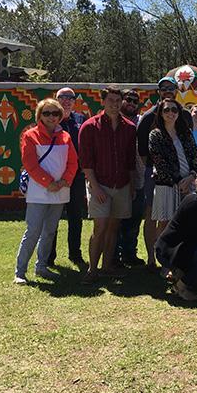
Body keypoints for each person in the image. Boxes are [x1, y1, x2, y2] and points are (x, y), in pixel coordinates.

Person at [14, 98, 78, 284]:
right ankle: (20, 271)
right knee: (33, 231)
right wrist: (48, 182)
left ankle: (41, 266)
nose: (51, 117)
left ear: (60, 116)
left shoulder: (65, 137)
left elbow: (73, 162)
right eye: (47, 113)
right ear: (39, 115)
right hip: (38, 192)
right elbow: (30, 164)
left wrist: (65, 180)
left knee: (50, 231)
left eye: (55, 113)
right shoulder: (30, 135)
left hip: (60, 191)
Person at [78, 87, 137, 284]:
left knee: (114, 227)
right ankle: (92, 270)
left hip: (122, 184)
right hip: (99, 185)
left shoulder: (129, 128)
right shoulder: (89, 127)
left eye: (118, 100)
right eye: (111, 100)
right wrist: (95, 188)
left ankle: (106, 267)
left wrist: (131, 185)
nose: (115, 104)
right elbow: (86, 162)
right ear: (102, 101)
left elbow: (130, 160)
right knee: (100, 227)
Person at [136, 77, 191, 274]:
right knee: (153, 215)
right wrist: (157, 170)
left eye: (171, 87)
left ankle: (174, 258)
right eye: (163, 88)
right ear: (158, 91)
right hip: (156, 175)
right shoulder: (148, 117)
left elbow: (189, 146)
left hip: (183, 175)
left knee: (177, 216)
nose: (168, 90)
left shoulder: (185, 115)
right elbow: (143, 152)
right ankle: (152, 258)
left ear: (177, 91)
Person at [155, 168, 197, 301]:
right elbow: (194, 238)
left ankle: (179, 274)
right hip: (170, 250)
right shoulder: (194, 203)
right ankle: (181, 286)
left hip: (184, 245)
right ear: (196, 183)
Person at [148, 98, 197, 269]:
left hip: (188, 183)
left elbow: (194, 157)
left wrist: (191, 176)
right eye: (166, 110)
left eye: (174, 110)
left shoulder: (186, 133)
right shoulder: (155, 135)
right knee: (165, 224)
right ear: (160, 113)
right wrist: (178, 181)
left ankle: (181, 260)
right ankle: (163, 262)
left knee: (185, 225)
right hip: (166, 185)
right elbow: (159, 161)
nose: (170, 113)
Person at [48, 87, 86, 267]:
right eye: (62, 97)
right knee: (52, 217)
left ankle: (75, 254)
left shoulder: (80, 120)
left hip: (76, 176)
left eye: (71, 97)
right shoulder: (50, 119)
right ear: (56, 99)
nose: (67, 100)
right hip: (55, 176)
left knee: (75, 216)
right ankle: (49, 256)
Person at [116, 89, 146, 267]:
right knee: (116, 220)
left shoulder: (142, 122)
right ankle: (113, 256)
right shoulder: (114, 120)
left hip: (139, 177)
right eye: (128, 99)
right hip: (117, 178)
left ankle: (129, 253)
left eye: (135, 101)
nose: (132, 103)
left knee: (134, 219)